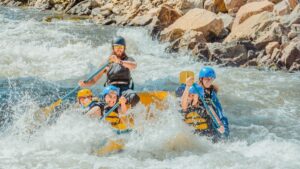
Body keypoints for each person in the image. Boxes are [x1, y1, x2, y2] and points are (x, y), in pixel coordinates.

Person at [78, 36, 140, 106]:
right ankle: (104, 105)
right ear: (113, 48)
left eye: (121, 47)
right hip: (111, 89)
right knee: (109, 96)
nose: (119, 49)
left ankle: (124, 109)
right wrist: (85, 84)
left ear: (124, 48)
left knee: (135, 98)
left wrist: (119, 61)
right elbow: (94, 80)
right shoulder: (106, 63)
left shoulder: (128, 59)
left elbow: (134, 65)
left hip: (125, 89)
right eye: (117, 47)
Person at [180, 67, 229, 141]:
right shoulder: (187, 103)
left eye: (211, 79)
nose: (191, 97)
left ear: (198, 96)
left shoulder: (204, 102)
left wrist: (220, 125)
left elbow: (211, 111)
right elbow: (183, 105)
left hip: (206, 133)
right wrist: (187, 87)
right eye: (207, 78)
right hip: (192, 134)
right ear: (201, 79)